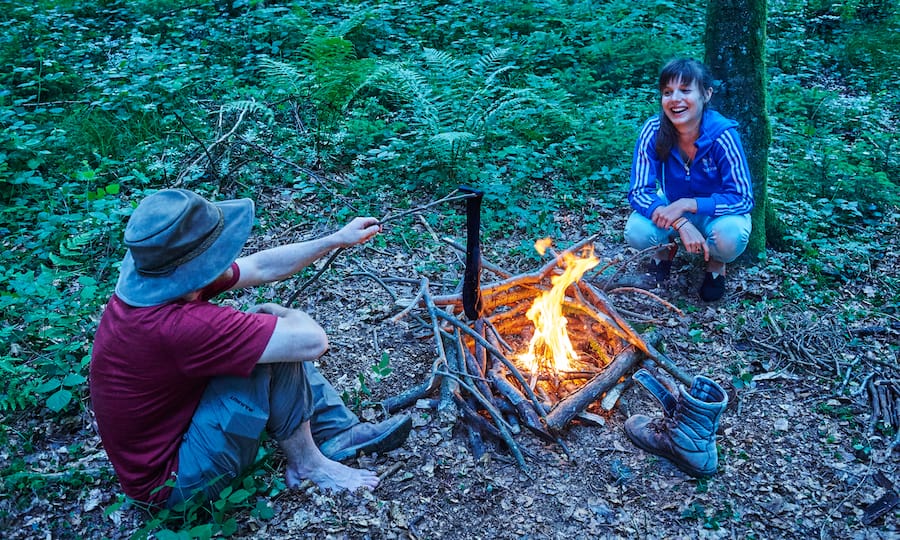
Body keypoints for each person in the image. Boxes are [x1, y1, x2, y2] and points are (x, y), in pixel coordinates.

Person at [89, 188, 412, 508]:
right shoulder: (177, 324)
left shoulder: (162, 280)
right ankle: (309, 465)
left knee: (264, 335)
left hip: (176, 440)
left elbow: (260, 267)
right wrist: (281, 313)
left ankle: (336, 431)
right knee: (271, 342)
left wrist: (336, 239)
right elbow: (312, 341)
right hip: (174, 485)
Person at [625, 57, 754, 301]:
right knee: (637, 231)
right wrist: (680, 222)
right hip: (671, 203)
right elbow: (639, 191)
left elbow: (742, 198)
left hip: (716, 210)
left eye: (685, 91)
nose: (675, 99)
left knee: (731, 236)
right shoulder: (653, 130)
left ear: (706, 94)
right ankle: (665, 250)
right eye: (667, 92)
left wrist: (688, 204)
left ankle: (716, 262)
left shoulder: (722, 135)